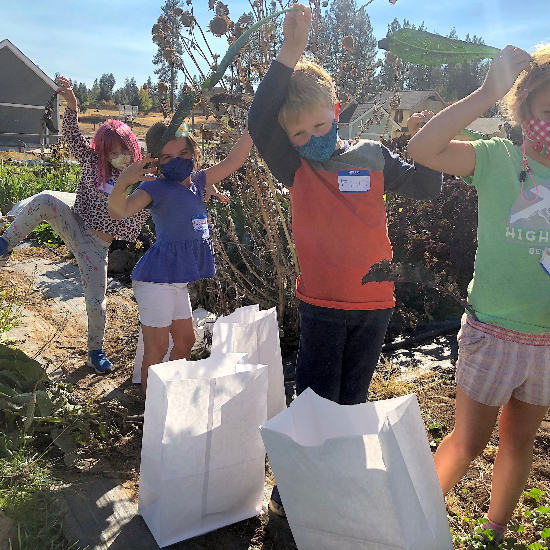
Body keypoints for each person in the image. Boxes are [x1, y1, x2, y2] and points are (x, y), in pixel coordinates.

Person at [247, 4, 443, 517]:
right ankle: (294, 485)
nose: (312, 139)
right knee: (314, 398)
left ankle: (333, 479)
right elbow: (259, 118)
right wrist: (289, 54)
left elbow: (424, 185)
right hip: (322, 303)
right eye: (299, 134)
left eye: (319, 124)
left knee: (352, 398)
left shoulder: (373, 156)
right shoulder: (296, 168)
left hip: (374, 302)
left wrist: (432, 140)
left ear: (337, 111)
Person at [407, 44, 550, 544]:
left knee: (518, 442)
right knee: (467, 443)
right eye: (549, 112)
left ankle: (493, 531)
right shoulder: (494, 159)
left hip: (548, 343)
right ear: (525, 109)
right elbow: (422, 150)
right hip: (493, 332)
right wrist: (488, 91)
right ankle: (412, 520)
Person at [0, 76, 150, 374]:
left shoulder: (141, 180)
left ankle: (95, 349)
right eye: (109, 151)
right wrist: (72, 104)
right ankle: (4, 244)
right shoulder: (94, 162)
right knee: (44, 199)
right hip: (74, 223)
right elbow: (71, 137)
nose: (115, 156)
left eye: (121, 149)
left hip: (97, 246)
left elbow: (138, 218)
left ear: (132, 146)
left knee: (97, 301)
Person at [108, 120, 252, 395]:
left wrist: (252, 128)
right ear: (156, 162)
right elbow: (119, 211)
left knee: (186, 341)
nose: (177, 161)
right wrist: (124, 181)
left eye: (183, 153)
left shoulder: (199, 182)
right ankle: (153, 408)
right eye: (167, 157)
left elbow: (234, 161)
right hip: (155, 280)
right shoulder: (154, 188)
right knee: (158, 348)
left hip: (175, 280)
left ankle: (172, 395)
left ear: (193, 153)